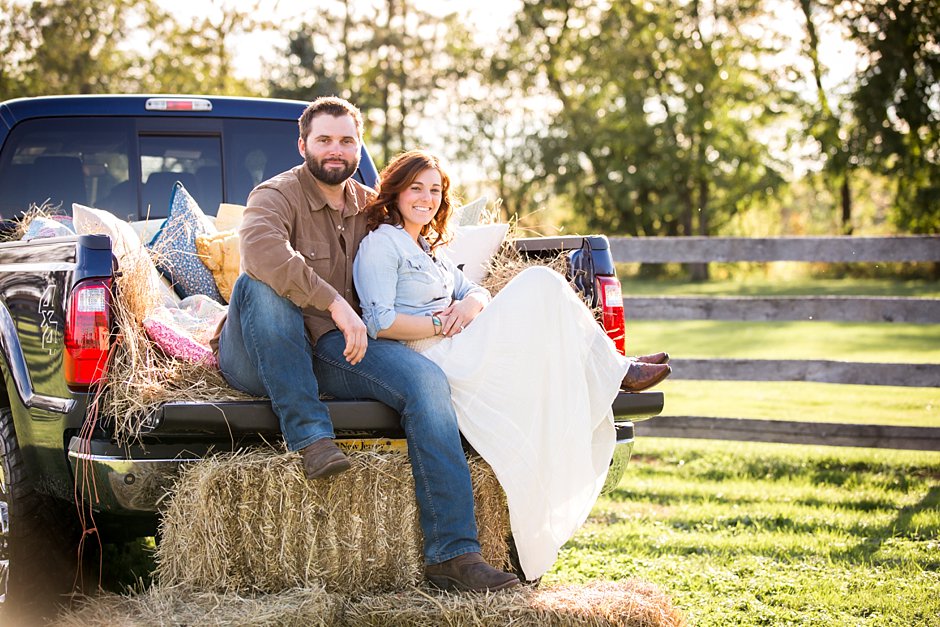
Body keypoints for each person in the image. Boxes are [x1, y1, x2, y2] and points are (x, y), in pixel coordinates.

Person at [211, 97, 520, 592]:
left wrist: (462, 305)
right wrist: (334, 302)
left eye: (347, 140)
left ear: (359, 147)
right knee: (260, 283)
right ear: (303, 145)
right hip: (259, 353)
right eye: (324, 139)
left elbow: (421, 260)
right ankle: (311, 437)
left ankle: (455, 555)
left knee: (426, 383)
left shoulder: (371, 207)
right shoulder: (274, 194)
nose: (336, 150)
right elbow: (262, 251)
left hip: (335, 348)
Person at [352, 150, 671, 581]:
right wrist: (439, 322)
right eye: (416, 188)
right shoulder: (380, 244)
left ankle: (612, 369)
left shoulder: (427, 246)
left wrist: (469, 303)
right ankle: (615, 371)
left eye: (434, 190)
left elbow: (480, 293)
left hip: (457, 340)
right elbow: (380, 322)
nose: (426, 198)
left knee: (541, 298)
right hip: (429, 356)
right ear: (395, 190)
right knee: (539, 281)